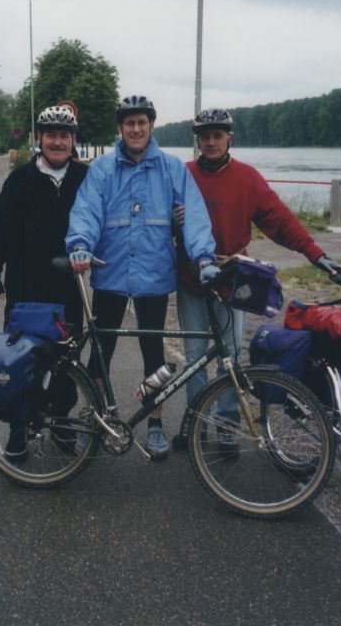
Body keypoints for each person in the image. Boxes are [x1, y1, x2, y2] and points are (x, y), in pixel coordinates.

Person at [175, 107, 341, 452]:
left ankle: (227, 425)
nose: (211, 142)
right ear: (197, 141)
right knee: (194, 355)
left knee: (230, 355)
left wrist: (317, 255)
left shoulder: (248, 178)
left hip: (231, 281)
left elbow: (281, 221)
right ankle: (195, 423)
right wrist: (171, 217)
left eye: (218, 135)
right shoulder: (183, 174)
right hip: (192, 279)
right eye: (205, 136)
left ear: (230, 139)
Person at [66, 95, 217, 458]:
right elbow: (85, 210)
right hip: (110, 273)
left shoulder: (171, 168)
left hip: (153, 275)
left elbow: (194, 215)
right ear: (121, 128)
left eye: (142, 123)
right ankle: (95, 420)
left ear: (151, 127)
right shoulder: (101, 170)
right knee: (100, 352)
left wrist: (204, 257)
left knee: (154, 356)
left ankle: (154, 425)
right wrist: (81, 244)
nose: (136, 129)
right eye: (129, 123)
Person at [0, 103, 88, 460]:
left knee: (66, 359)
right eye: (51, 135)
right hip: (26, 287)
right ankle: (18, 428)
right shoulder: (21, 179)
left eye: (64, 135)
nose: (57, 142)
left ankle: (60, 419)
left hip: (69, 288)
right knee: (24, 360)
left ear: (73, 141)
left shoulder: (83, 178)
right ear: (39, 139)